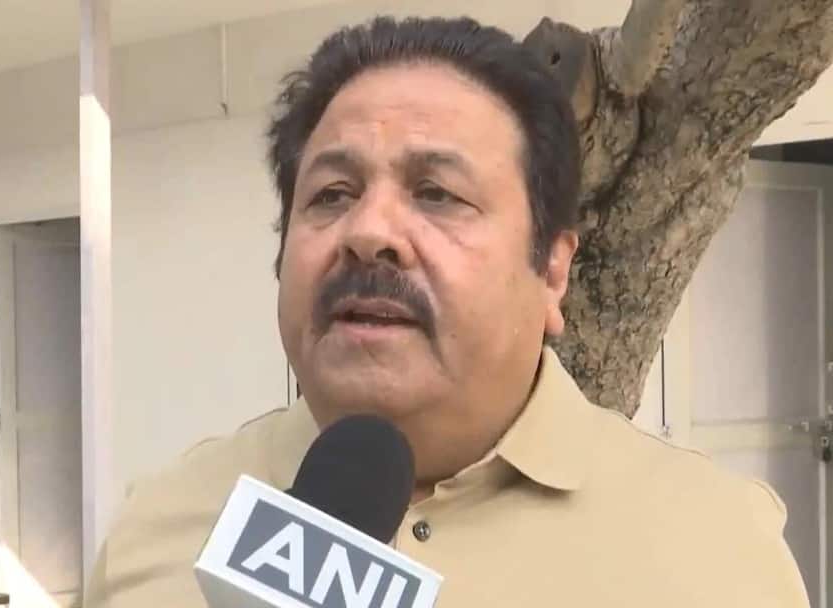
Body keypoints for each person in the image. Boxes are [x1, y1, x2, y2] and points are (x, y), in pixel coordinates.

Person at [84, 16, 809, 607]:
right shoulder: (158, 531)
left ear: (553, 268)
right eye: (333, 194)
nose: (368, 232)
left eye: (436, 194)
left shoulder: (715, 551)